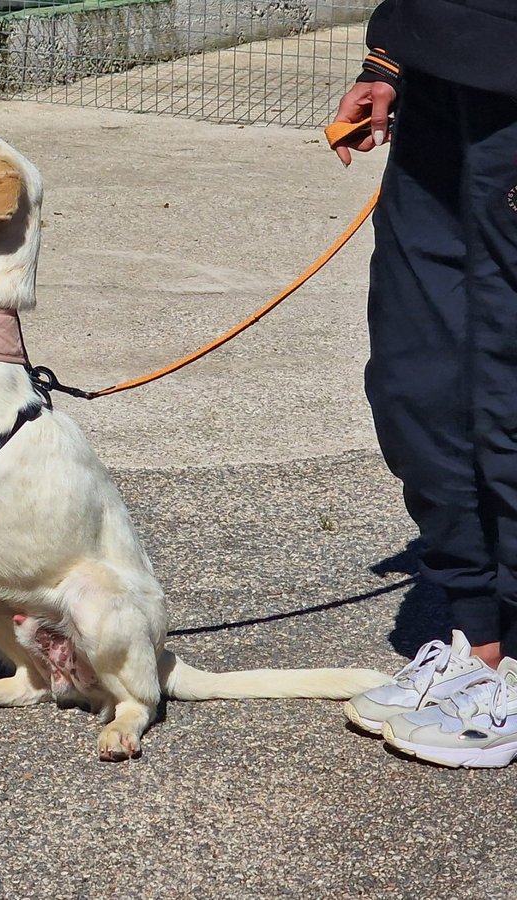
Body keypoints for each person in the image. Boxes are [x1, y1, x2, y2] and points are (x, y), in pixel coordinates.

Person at [335, 0, 517, 767]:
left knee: (509, 382)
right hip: (441, 74)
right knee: (417, 372)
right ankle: (480, 646)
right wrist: (391, 56)